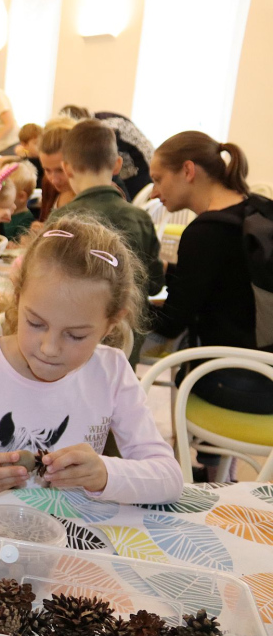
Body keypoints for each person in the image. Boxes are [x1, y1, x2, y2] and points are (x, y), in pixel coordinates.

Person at [0, 216, 183, 503]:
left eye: (75, 336)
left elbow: (169, 478)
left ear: (111, 324)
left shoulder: (111, 371)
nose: (50, 348)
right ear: (17, 295)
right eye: (36, 323)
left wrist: (104, 472)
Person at [149, 131, 273, 417]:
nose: (154, 192)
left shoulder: (205, 233)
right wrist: (172, 271)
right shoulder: (255, 209)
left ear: (188, 170)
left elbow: (170, 323)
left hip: (235, 380)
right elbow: (226, 284)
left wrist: (124, 308)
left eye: (158, 179)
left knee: (131, 344)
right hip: (263, 369)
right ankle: (211, 460)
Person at [49, 120, 164, 301]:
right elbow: (154, 285)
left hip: (76, 326)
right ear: (117, 165)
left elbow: (47, 282)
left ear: (67, 168)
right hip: (129, 327)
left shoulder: (60, 219)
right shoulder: (141, 218)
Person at [61, 104, 154, 200]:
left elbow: (104, 163)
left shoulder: (103, 129)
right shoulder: (97, 122)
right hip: (128, 164)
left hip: (142, 169)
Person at [37, 117, 77, 223]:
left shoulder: (93, 198)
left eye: (60, 170)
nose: (54, 179)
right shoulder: (48, 184)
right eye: (47, 170)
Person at [7, 160, 38, 242]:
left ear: (21, 196)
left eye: (5, 192)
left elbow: (23, 245)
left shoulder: (25, 220)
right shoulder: (3, 213)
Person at [16, 123, 45, 188]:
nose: (40, 146)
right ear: (24, 144)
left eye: (42, 142)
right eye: (36, 143)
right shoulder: (25, 162)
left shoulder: (43, 159)